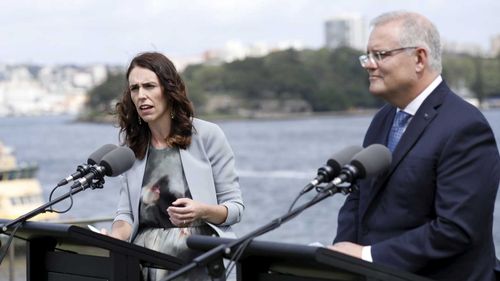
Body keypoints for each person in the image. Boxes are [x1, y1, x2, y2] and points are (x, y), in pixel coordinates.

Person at [328, 11, 500, 281]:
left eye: (380, 55)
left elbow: (456, 229)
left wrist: (367, 256)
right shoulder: (383, 119)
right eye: (367, 56)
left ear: (419, 58)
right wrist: (340, 256)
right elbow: (358, 198)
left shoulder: (465, 126)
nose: (369, 65)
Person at [107, 52, 244, 281]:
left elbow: (235, 209)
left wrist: (202, 211)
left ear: (169, 90)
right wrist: (113, 237)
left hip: (199, 263)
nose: (141, 96)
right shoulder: (132, 148)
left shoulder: (208, 135)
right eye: (135, 89)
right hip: (144, 264)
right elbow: (126, 214)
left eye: (149, 86)